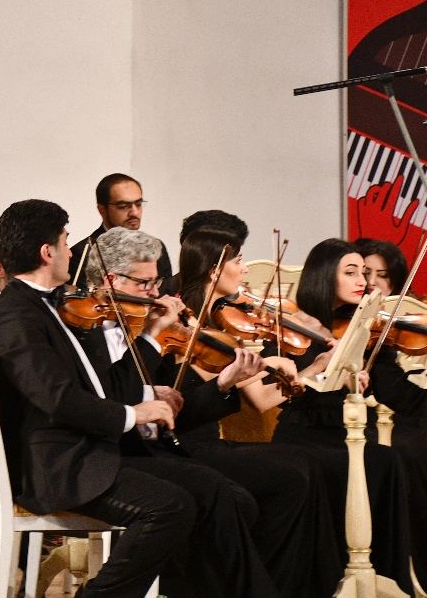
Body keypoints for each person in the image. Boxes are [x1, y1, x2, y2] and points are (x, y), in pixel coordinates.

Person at [0, 199, 278, 598]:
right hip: (61, 465)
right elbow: (57, 398)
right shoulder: (17, 313)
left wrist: (142, 392)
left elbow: (92, 386)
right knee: (172, 506)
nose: (71, 250)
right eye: (67, 240)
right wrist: (132, 413)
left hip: (88, 453)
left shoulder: (50, 305)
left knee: (216, 491)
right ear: (47, 252)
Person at [107, 226, 341, 597]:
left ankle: (296, 585)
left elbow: (188, 401)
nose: (157, 294)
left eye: (157, 283)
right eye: (239, 259)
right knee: (269, 480)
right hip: (163, 448)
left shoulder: (184, 325)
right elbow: (118, 397)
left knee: (298, 471)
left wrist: (230, 379)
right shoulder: (135, 331)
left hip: (179, 439)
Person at [271, 238, 418, 593]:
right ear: (324, 277)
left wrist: (378, 359)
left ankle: (381, 578)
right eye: (350, 272)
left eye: (364, 273)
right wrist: (323, 370)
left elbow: (404, 400)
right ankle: (336, 578)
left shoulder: (361, 327)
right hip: (304, 434)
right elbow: (279, 396)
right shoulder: (295, 324)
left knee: (388, 461)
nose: (362, 281)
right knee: (366, 463)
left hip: (345, 434)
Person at [352, 237, 427, 594]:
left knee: (420, 447)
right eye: (364, 272)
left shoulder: (412, 325)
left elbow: (420, 403)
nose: (372, 282)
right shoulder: (339, 323)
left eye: (382, 275)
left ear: (395, 283)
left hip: (410, 426)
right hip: (356, 428)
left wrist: (384, 355)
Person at [68, 173, 171, 286]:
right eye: (123, 206)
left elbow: (164, 292)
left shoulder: (156, 248)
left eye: (138, 204)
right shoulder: (81, 254)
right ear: (102, 210)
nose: (134, 212)